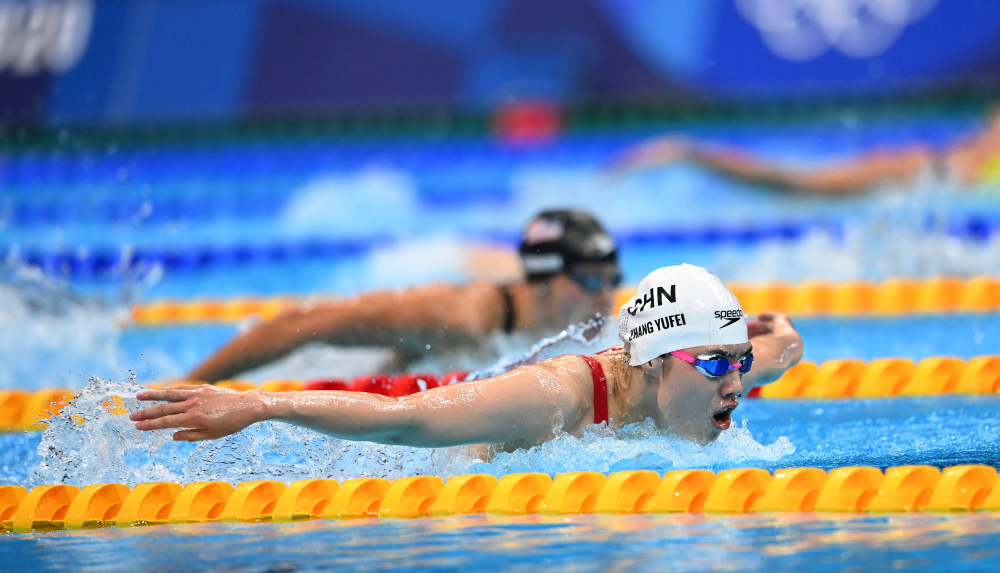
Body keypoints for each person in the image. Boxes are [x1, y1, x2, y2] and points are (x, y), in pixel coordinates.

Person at [132, 264, 803, 448]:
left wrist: (773, 334)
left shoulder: (717, 370)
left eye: (739, 362)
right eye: (715, 364)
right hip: (440, 432)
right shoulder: (556, 396)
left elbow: (785, 347)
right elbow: (410, 420)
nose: (736, 382)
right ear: (654, 360)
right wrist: (256, 404)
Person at [184, 209, 622, 382]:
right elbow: (300, 323)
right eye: (590, 282)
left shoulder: (560, 311)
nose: (605, 297)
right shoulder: (459, 317)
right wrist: (190, 383)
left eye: (611, 280)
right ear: (543, 280)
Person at [617, 108, 1000, 196]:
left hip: (935, 169)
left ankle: (688, 150)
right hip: (924, 169)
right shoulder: (940, 164)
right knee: (800, 183)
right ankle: (687, 150)